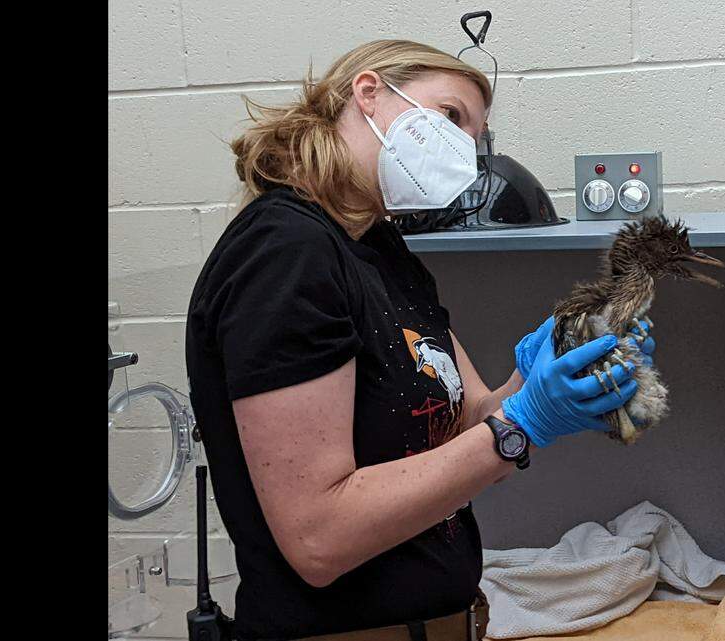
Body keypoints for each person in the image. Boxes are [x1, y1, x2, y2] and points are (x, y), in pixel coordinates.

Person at [185, 39, 655, 641]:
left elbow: (469, 424)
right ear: (370, 93)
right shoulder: (286, 254)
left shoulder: (382, 251)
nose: (463, 147)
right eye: (452, 116)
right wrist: (525, 421)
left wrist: (540, 373)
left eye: (476, 136)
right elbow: (319, 538)